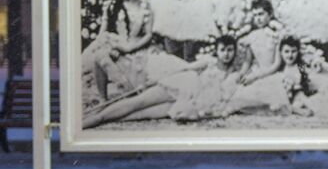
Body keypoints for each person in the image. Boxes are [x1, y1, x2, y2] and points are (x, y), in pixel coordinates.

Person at [83, 34, 247, 127]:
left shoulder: (233, 73)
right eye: (223, 50)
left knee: (139, 115)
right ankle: (97, 118)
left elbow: (226, 96)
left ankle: (98, 120)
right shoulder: (209, 62)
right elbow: (185, 68)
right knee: (138, 102)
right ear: (217, 51)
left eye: (230, 50)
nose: (226, 54)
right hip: (183, 85)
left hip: (189, 102)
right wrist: (157, 80)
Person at [82, 0, 156, 102]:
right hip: (117, 45)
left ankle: (130, 89)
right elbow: (103, 34)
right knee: (99, 55)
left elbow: (148, 35)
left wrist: (128, 49)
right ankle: (104, 98)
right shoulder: (111, 5)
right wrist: (114, 48)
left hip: (138, 48)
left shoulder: (144, 5)